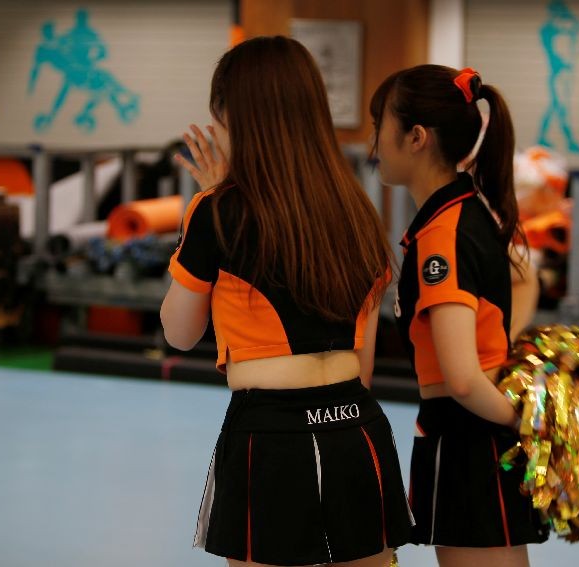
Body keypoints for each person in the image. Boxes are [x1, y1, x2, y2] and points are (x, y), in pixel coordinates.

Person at [161, 36, 413, 567]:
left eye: (220, 121)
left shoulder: (215, 212)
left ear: (239, 119)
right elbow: (363, 366)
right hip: (357, 430)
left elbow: (178, 332)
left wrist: (206, 209)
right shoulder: (358, 215)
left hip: (270, 439)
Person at [369, 64, 549, 567]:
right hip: (473, 435)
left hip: (471, 440)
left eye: (378, 124)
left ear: (416, 137)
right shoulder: (470, 210)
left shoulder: (443, 234)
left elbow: (464, 380)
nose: (373, 141)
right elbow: (523, 277)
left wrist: (533, 425)